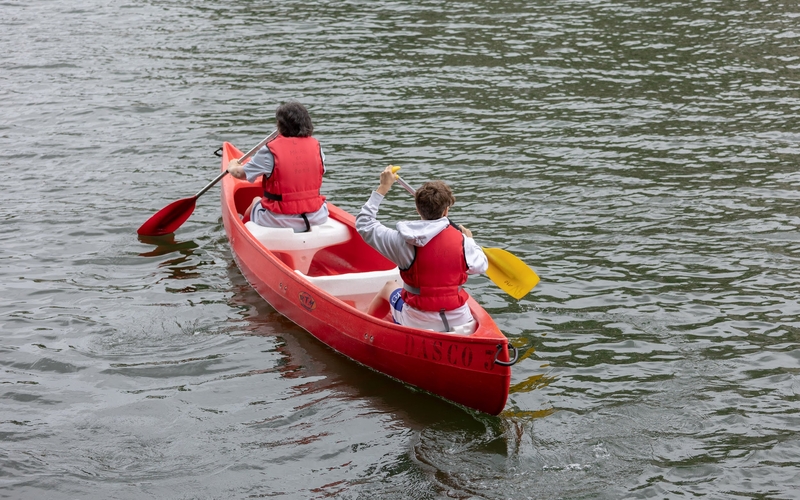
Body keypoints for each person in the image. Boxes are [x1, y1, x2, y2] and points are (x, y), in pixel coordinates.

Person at [356, 166, 489, 333]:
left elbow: (364, 224)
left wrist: (383, 187)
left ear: (418, 209)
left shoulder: (402, 241)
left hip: (417, 322)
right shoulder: (463, 241)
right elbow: (481, 266)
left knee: (390, 286)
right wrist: (471, 240)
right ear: (446, 210)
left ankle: (365, 330)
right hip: (460, 318)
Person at [227, 100, 328, 232]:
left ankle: (242, 233)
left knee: (256, 201)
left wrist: (232, 165)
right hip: (317, 216)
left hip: (280, 220)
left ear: (280, 125)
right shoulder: (317, 148)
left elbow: (240, 174)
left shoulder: (269, 151)